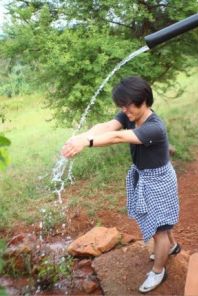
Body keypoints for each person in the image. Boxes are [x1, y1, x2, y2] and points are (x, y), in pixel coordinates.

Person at [61, 76, 180, 293]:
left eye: (127, 106)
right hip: (145, 176)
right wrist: (83, 136)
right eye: (122, 107)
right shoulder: (131, 114)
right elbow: (107, 126)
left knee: (159, 230)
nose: (124, 111)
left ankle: (158, 272)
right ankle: (171, 247)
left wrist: (86, 143)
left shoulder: (154, 128)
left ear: (143, 100)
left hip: (159, 181)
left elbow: (116, 137)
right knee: (160, 221)